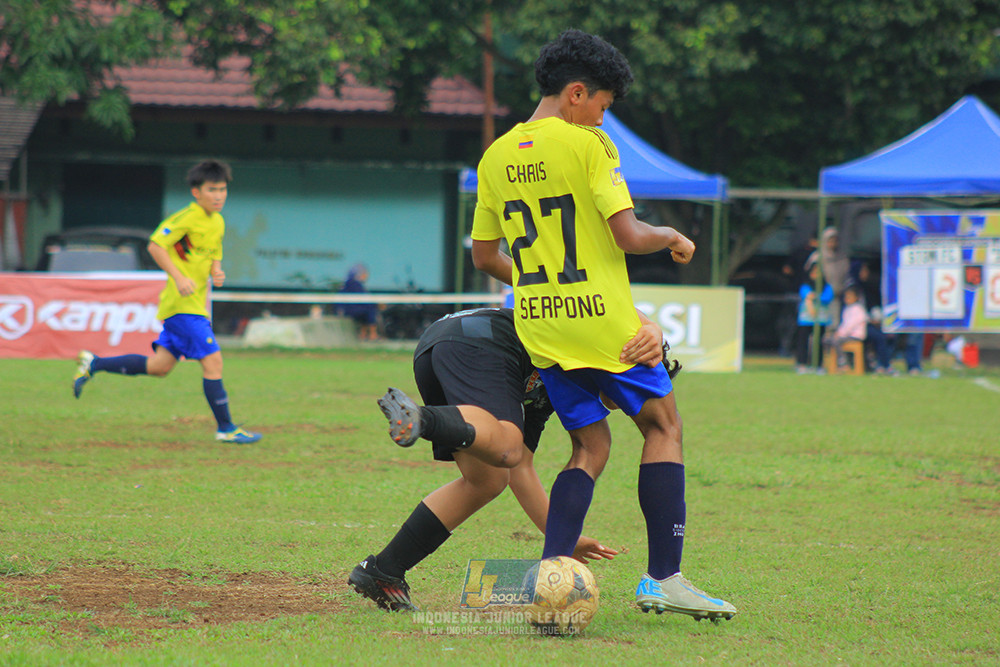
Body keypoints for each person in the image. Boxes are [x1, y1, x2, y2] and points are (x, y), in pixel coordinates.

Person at [467, 30, 735, 622]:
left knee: (590, 443)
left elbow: (485, 257)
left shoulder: (494, 155)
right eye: (604, 106)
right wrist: (673, 236)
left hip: (541, 327)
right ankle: (664, 577)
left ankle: (551, 577)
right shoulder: (589, 144)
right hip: (604, 326)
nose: (604, 119)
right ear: (576, 93)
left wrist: (541, 285)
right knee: (663, 425)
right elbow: (629, 236)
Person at [349, 306, 667, 611]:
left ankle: (384, 570)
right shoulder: (581, 359)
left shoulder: (561, 383)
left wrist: (564, 538)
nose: (632, 400)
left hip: (439, 344)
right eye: (636, 386)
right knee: (508, 444)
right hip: (481, 341)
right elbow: (609, 302)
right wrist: (650, 327)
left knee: (487, 479)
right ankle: (422, 418)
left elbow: (521, 467)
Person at [72, 160, 261, 445]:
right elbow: (155, 245)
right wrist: (178, 276)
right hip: (182, 306)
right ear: (196, 192)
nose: (219, 195)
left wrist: (216, 269)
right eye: (212, 190)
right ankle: (226, 428)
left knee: (159, 367)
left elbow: (213, 250)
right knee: (214, 362)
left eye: (223, 189)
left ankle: (94, 364)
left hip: (193, 307)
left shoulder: (217, 221)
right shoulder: (187, 217)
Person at [794, 254, 833, 373]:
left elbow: (827, 297)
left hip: (820, 319)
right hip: (806, 319)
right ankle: (802, 363)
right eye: (813, 272)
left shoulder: (827, 286)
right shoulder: (805, 285)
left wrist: (815, 297)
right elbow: (805, 293)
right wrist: (812, 297)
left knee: (819, 342)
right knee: (803, 341)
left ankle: (818, 365)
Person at [825, 284, 867, 370]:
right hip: (845, 335)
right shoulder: (847, 309)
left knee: (836, 340)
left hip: (855, 336)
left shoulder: (859, 309)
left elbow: (851, 325)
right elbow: (844, 324)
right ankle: (829, 363)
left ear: (856, 298)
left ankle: (843, 363)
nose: (847, 299)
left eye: (850, 297)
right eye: (846, 297)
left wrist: (840, 334)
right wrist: (838, 332)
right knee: (826, 339)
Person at [336, 263, 379, 341]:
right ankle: (372, 334)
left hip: (349, 309)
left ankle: (364, 334)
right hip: (351, 310)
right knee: (370, 309)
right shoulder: (355, 284)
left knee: (368, 309)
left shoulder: (348, 283)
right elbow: (364, 299)